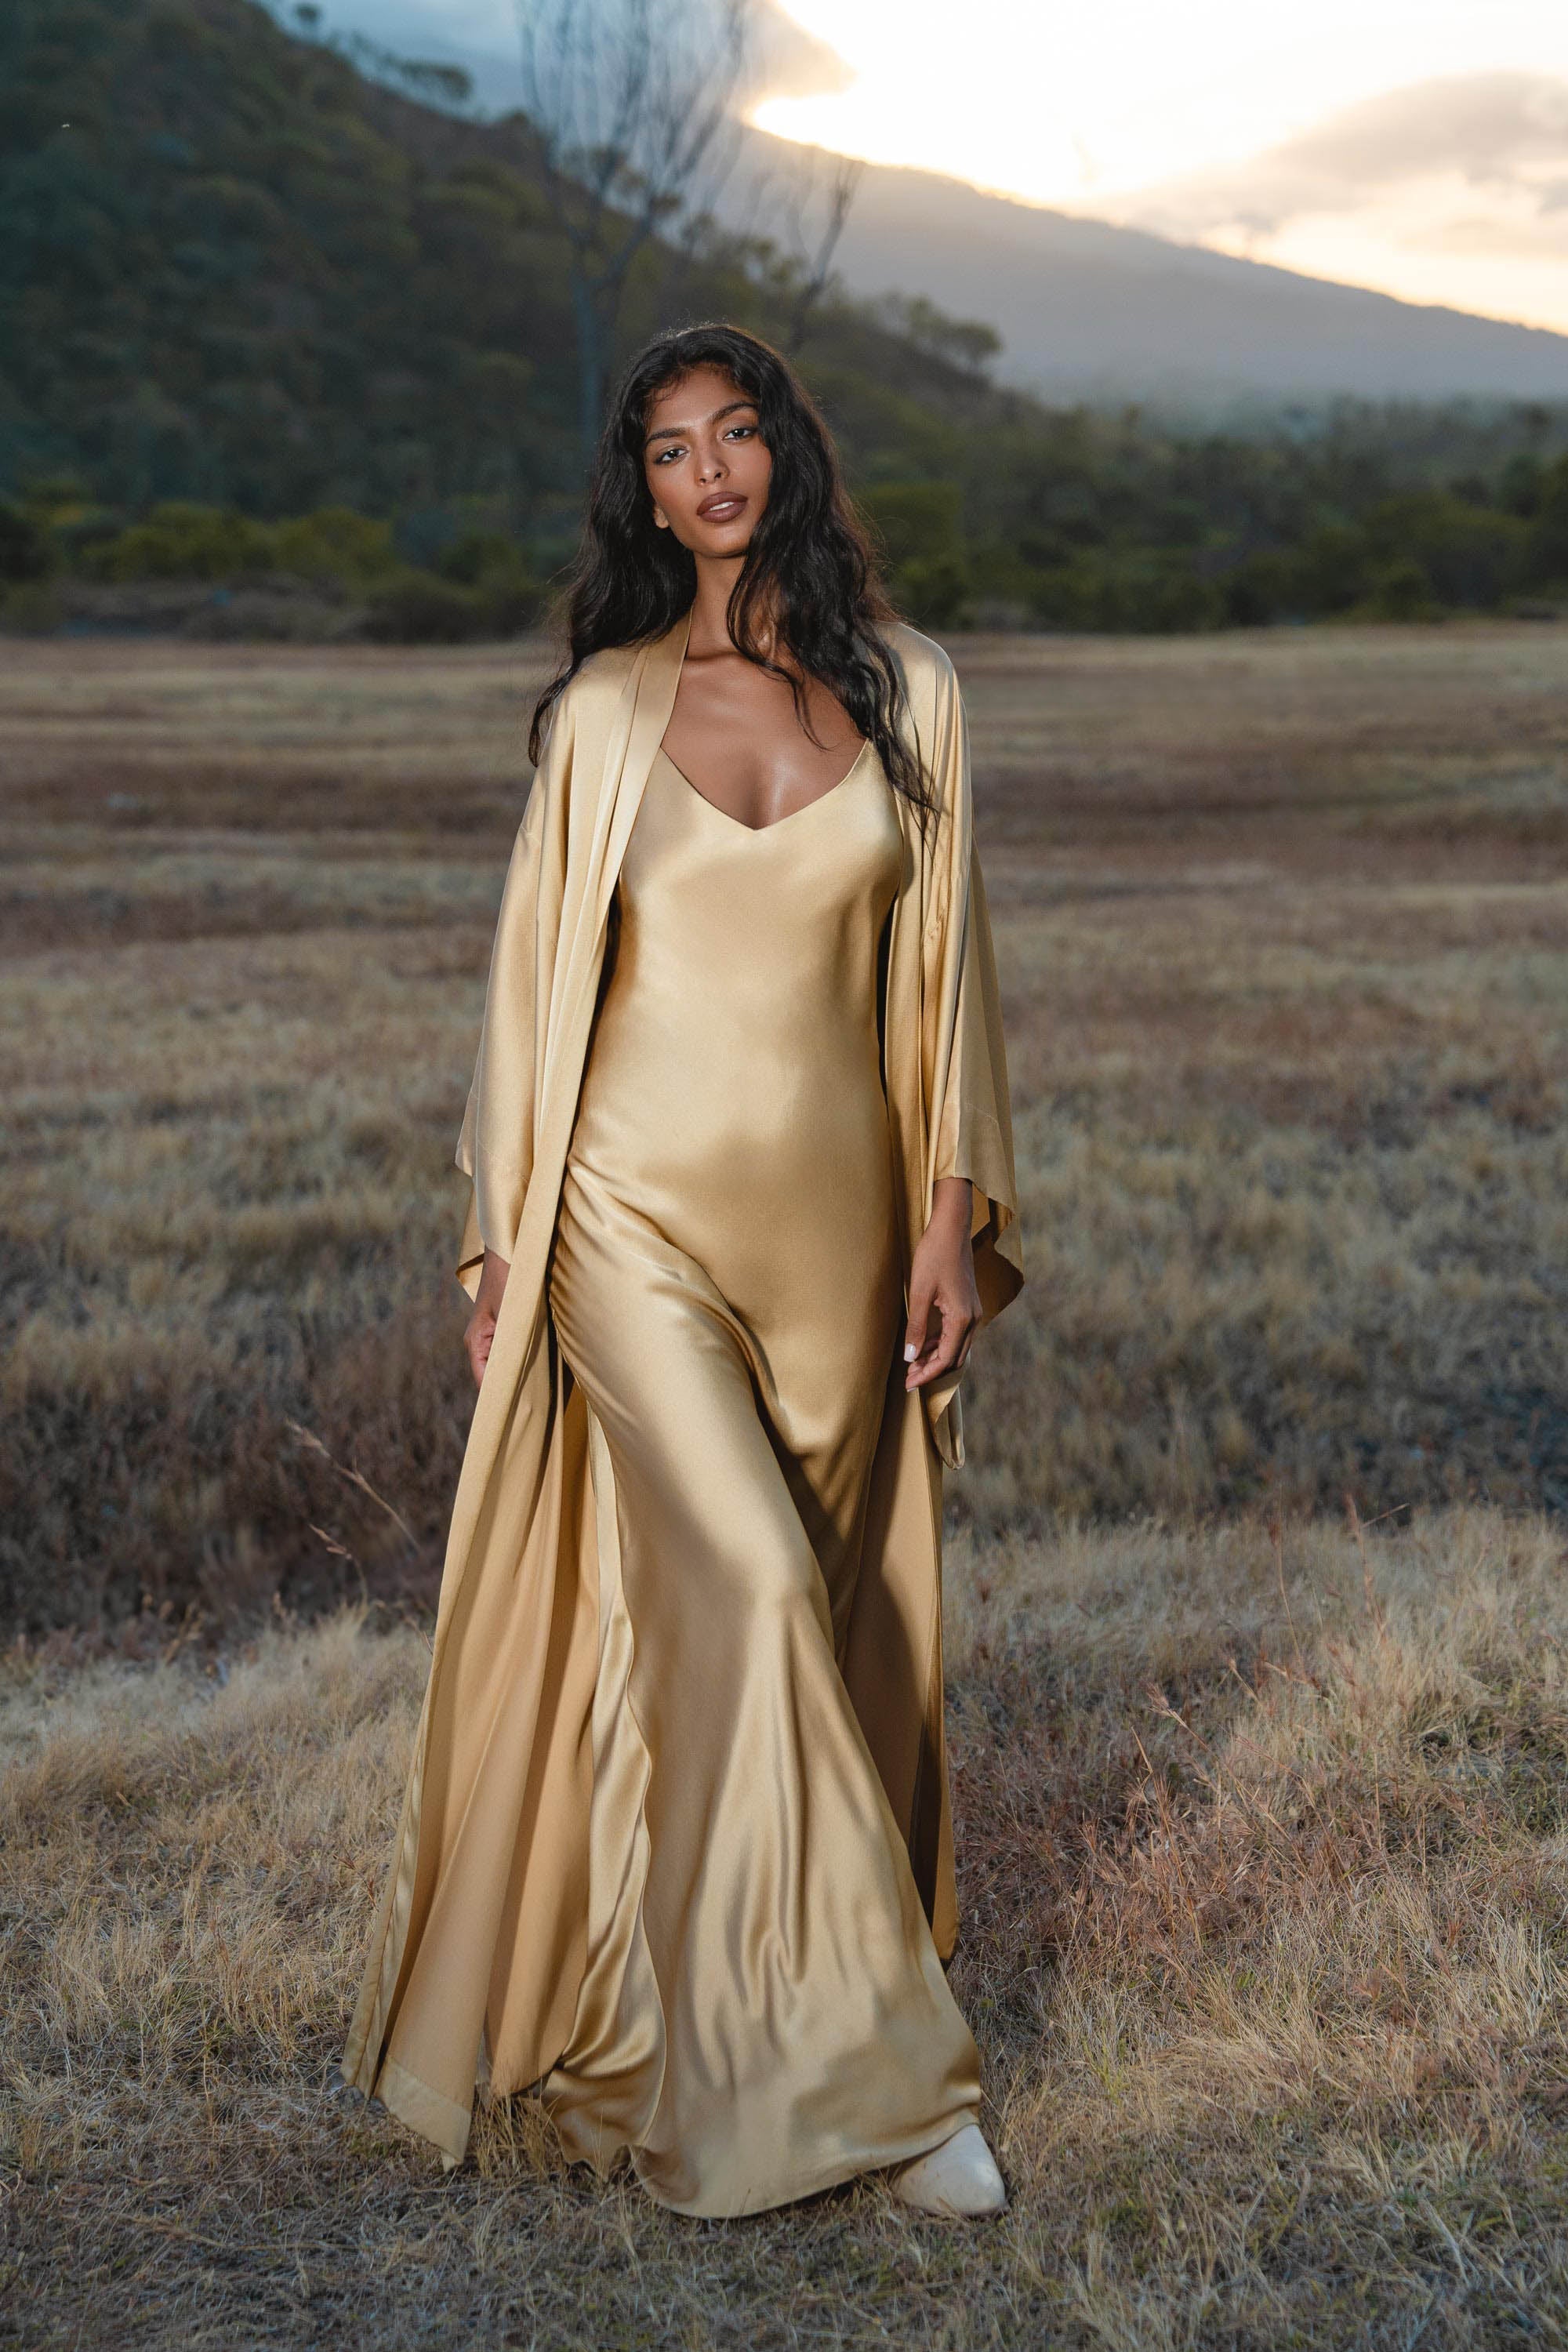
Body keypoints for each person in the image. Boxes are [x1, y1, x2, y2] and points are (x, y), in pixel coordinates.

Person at [338, 324, 1022, 2220]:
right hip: (626, 1219)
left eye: (733, 434)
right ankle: (889, 2097)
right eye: (665, 449)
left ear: (784, 453)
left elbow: (946, 974)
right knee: (740, 1579)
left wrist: (952, 1218)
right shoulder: (602, 718)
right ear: (639, 489)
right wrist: (502, 1235)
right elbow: (523, 993)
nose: (705, 471)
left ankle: (683, 2004)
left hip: (841, 1235)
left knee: (798, 1627)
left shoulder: (915, 697)